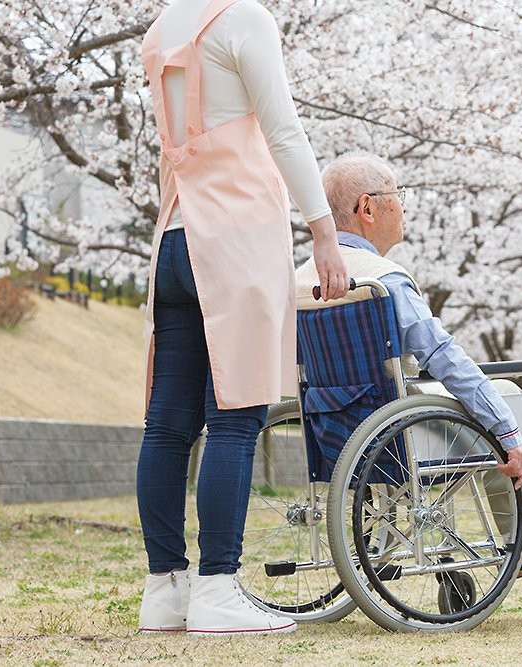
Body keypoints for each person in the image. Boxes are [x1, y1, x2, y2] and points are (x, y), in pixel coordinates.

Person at [296, 152, 522, 579]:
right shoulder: (382, 280)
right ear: (368, 207)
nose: (405, 206)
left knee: (520, 395)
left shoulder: (303, 278)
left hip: (341, 430)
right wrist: (506, 430)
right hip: (412, 436)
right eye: (399, 195)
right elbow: (443, 356)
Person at [135, 0, 348, 635]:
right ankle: (218, 587)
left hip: (174, 238)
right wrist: (325, 232)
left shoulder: (160, 29)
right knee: (235, 417)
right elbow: (282, 130)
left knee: (167, 426)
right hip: (234, 238)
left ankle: (164, 590)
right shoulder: (243, 18)